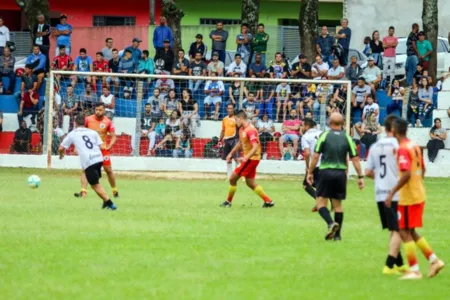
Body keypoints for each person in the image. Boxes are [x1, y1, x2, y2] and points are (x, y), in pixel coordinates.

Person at [385, 118, 444, 280]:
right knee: (409, 230)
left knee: (403, 230)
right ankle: (434, 260)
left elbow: (406, 173)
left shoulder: (403, 149)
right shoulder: (414, 146)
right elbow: (422, 168)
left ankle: (415, 270)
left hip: (409, 196)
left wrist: (392, 192)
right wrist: (417, 184)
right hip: (418, 192)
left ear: (395, 132)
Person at [307, 113, 364, 241]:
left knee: (320, 203)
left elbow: (315, 156)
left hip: (325, 172)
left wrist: (310, 172)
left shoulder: (324, 135)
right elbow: (355, 158)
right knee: (338, 206)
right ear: (343, 123)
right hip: (340, 174)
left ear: (329, 123)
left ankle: (330, 223)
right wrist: (360, 176)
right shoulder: (347, 137)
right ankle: (337, 236)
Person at [365, 115, 407, 275]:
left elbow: (368, 171)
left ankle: (400, 264)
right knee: (398, 228)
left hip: (379, 193)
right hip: (395, 193)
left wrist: (380, 180)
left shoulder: (375, 146)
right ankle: (389, 265)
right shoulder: (398, 145)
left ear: (384, 128)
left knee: (393, 228)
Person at [59, 114, 117, 210]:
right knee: (95, 181)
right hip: (99, 159)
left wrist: (61, 155)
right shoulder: (93, 132)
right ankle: (104, 202)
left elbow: (61, 148)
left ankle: (110, 204)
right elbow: (101, 146)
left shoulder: (73, 133)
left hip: (89, 161)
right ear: (85, 123)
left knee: (94, 185)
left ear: (75, 123)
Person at [220, 110, 274, 208]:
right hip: (251, 159)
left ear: (240, 118)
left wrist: (245, 157)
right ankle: (268, 201)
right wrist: (230, 154)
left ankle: (228, 202)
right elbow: (240, 143)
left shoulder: (251, 130)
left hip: (252, 159)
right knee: (250, 183)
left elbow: (255, 146)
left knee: (232, 179)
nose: (235, 122)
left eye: (236, 120)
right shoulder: (241, 130)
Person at [75, 103, 118, 199]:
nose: (98, 112)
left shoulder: (108, 122)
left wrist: (109, 146)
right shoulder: (88, 120)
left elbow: (114, 136)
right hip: (89, 150)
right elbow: (78, 132)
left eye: (100, 110)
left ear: (104, 111)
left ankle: (115, 191)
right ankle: (83, 192)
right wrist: (76, 147)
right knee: (85, 170)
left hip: (102, 150)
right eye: (96, 109)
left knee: (108, 170)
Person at [302, 118, 322, 210]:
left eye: (303, 125)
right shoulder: (322, 133)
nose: (301, 127)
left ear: (307, 126)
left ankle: (319, 202)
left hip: (315, 164)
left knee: (306, 184)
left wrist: (307, 167)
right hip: (327, 162)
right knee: (319, 184)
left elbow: (307, 153)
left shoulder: (306, 136)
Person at [219, 103, 239, 178]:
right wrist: (219, 139)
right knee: (228, 159)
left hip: (235, 139)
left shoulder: (237, 118)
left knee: (236, 158)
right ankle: (229, 176)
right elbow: (223, 130)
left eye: (231, 108)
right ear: (227, 109)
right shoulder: (224, 119)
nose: (230, 110)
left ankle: (237, 176)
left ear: (233, 109)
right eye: (228, 108)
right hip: (226, 140)